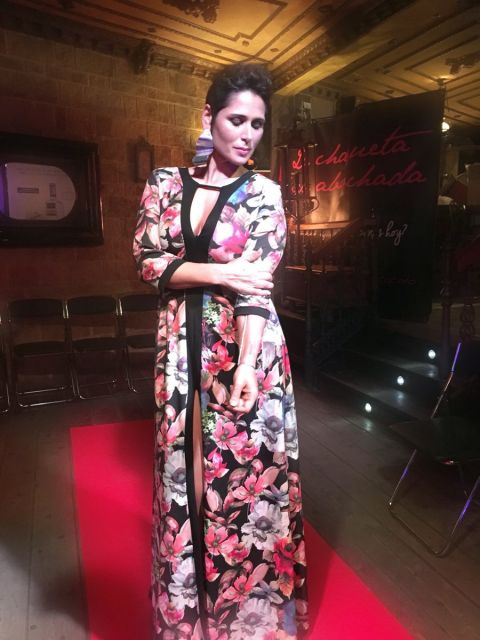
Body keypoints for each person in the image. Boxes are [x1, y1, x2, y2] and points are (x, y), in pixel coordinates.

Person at [133, 62, 308, 640]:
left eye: (258, 124)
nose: (247, 134)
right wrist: (221, 273)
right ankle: (189, 618)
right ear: (209, 116)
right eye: (237, 120)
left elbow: (256, 290)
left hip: (243, 350)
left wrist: (247, 367)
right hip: (179, 352)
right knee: (181, 475)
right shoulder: (164, 182)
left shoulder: (264, 194)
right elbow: (147, 261)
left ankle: (245, 623)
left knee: (242, 483)